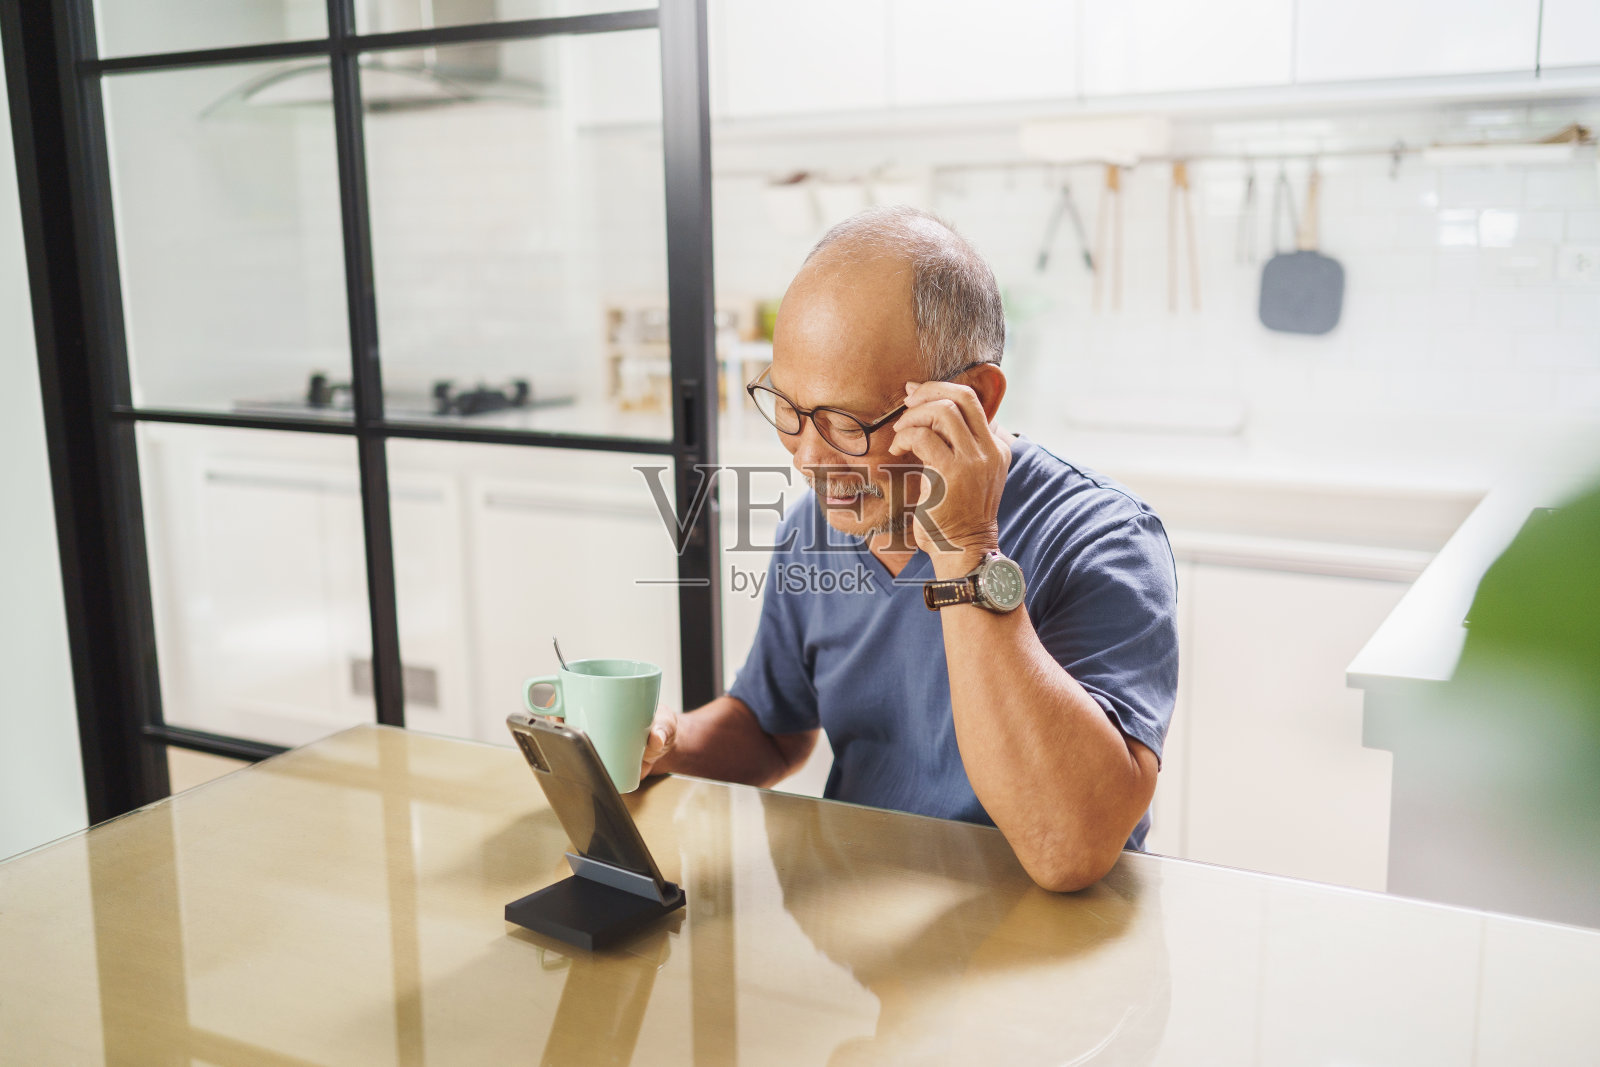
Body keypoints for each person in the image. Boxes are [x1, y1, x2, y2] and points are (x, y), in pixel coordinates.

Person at [641, 206, 1179, 892]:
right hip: (869, 940)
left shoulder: (1102, 538)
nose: (808, 457)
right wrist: (665, 742)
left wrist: (967, 549)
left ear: (974, 398)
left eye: (846, 422)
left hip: (1047, 954)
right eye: (787, 408)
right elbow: (771, 728)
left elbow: (1068, 847)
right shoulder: (818, 525)